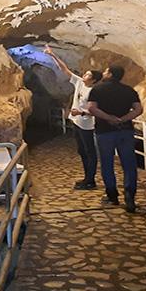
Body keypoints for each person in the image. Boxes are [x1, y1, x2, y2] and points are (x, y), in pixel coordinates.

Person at [44, 45, 102, 190]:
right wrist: (53, 55)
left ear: (94, 80)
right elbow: (65, 69)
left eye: (88, 75)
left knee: (90, 151)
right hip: (76, 122)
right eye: (85, 73)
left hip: (86, 124)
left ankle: (91, 180)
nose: (84, 76)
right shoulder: (79, 82)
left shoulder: (94, 91)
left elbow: (96, 111)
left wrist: (81, 113)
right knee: (82, 151)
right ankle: (87, 177)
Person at [87, 65, 143, 213]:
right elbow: (138, 109)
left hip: (104, 131)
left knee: (107, 163)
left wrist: (108, 118)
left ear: (110, 74)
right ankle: (130, 195)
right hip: (125, 131)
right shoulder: (129, 90)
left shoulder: (97, 89)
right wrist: (123, 119)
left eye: (105, 71)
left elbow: (92, 108)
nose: (104, 73)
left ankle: (112, 196)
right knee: (129, 163)